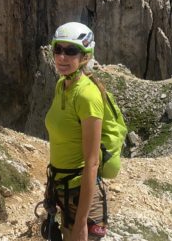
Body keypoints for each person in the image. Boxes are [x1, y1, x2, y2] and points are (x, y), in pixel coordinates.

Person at [44, 22, 109, 241]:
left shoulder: (87, 96)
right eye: (58, 49)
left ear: (84, 56)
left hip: (81, 194)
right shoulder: (61, 85)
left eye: (71, 51)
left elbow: (92, 162)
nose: (62, 57)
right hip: (62, 187)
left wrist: (81, 223)